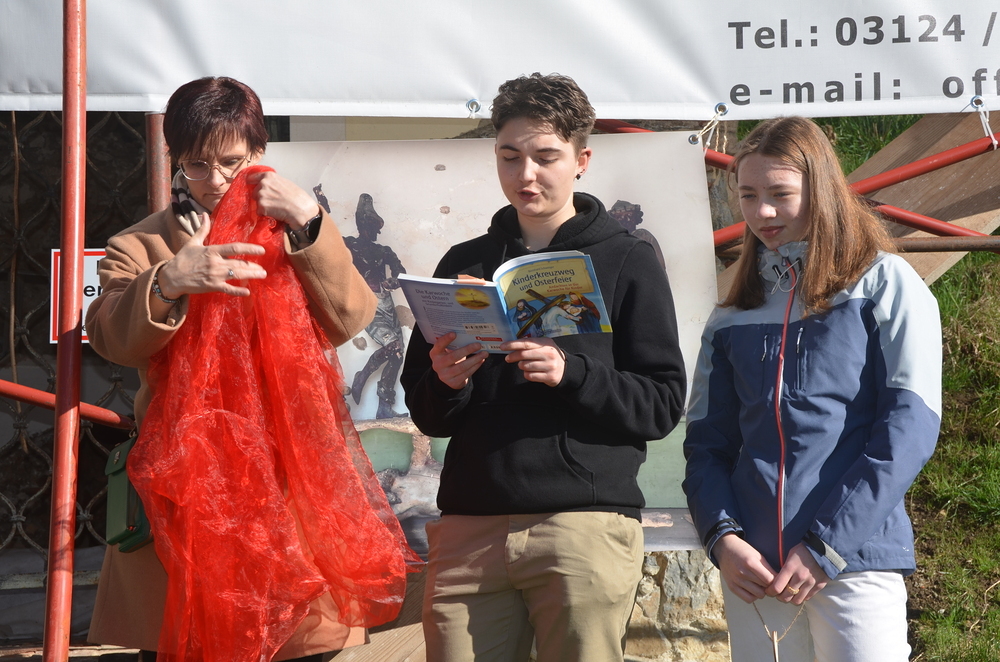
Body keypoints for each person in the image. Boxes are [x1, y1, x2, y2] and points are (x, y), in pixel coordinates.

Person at [86, 76, 413, 662]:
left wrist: (310, 225)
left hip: (290, 482)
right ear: (174, 160)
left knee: (300, 645)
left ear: (259, 152)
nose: (215, 181)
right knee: (186, 642)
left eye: (231, 162)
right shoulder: (141, 244)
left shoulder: (292, 229)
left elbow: (352, 318)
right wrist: (169, 281)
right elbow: (111, 338)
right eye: (196, 165)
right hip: (186, 489)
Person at [400, 73, 687, 662]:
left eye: (545, 157)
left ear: (581, 160)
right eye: (509, 157)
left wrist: (569, 372)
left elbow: (661, 404)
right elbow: (428, 412)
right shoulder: (464, 262)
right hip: (470, 524)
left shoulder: (627, 258)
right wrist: (447, 382)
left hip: (581, 524)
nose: (525, 174)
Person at [683, 116, 941, 661]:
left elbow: (907, 432)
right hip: (757, 574)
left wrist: (827, 545)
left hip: (854, 564)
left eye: (780, 194)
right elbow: (706, 448)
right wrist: (722, 539)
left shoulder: (886, 283)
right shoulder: (730, 315)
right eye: (748, 195)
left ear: (821, 190)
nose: (762, 212)